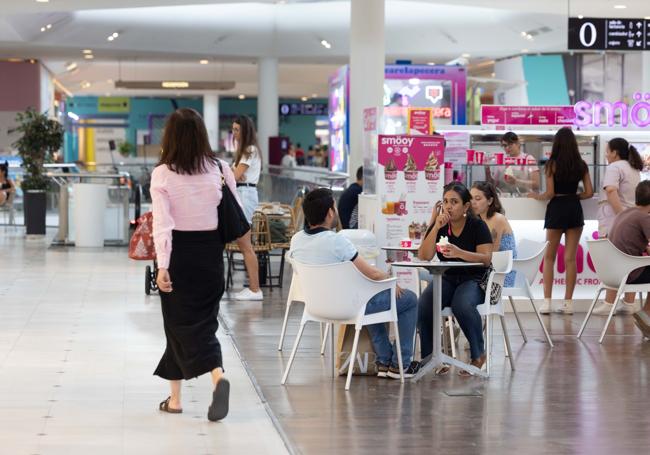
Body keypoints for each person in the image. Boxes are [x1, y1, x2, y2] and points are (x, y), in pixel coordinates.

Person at [150, 108, 233, 421]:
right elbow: (230, 212)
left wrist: (163, 265)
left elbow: (163, 224)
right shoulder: (220, 168)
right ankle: (175, 399)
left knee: (181, 324)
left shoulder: (163, 173)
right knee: (196, 325)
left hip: (180, 255)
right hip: (211, 254)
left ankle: (218, 378)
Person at [290, 188, 420, 378]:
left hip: (315, 307)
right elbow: (372, 274)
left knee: (367, 296)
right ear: (329, 213)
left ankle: (385, 361)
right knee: (409, 299)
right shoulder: (337, 241)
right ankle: (402, 364)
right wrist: (392, 282)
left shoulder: (296, 241)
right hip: (346, 308)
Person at [417, 182, 494, 375]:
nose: (449, 206)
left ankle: (478, 355)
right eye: (445, 202)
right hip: (448, 277)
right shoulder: (442, 226)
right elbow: (424, 255)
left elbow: (486, 259)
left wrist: (460, 252)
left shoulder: (478, 226)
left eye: (454, 202)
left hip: (474, 278)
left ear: (466, 206)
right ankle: (430, 358)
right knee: (425, 303)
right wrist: (435, 226)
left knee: (462, 304)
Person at [528, 127, 594, 314]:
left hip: (556, 209)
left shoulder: (552, 164)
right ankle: (568, 304)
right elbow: (589, 193)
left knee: (549, 258)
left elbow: (549, 193)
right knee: (570, 259)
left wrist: (536, 196)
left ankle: (547, 302)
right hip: (574, 209)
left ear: (556, 144)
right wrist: (573, 197)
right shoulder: (581, 164)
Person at [593, 138, 643, 315]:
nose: (606, 155)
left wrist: (621, 214)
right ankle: (629, 303)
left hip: (613, 220)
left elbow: (611, 190)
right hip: (633, 220)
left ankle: (609, 302)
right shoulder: (634, 168)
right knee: (631, 261)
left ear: (614, 152)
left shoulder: (614, 167)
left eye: (607, 151)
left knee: (612, 261)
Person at [606, 181, 650, 338]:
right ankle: (646, 314)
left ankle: (646, 317)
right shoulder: (644, 217)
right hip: (628, 274)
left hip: (612, 273)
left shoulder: (625, 213)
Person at [231, 115, 263, 301]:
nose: (234, 133)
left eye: (237, 130)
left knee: (245, 244)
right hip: (242, 193)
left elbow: (235, 176)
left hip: (245, 194)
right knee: (244, 244)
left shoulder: (249, 150)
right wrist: (233, 173)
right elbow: (235, 175)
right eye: (233, 129)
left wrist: (232, 173)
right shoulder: (245, 150)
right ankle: (253, 288)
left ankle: (254, 289)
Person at [470, 181, 517, 287]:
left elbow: (491, 255)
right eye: (471, 198)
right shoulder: (477, 220)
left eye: (478, 199)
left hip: (501, 274)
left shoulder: (497, 219)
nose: (473, 203)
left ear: (490, 200)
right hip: (487, 269)